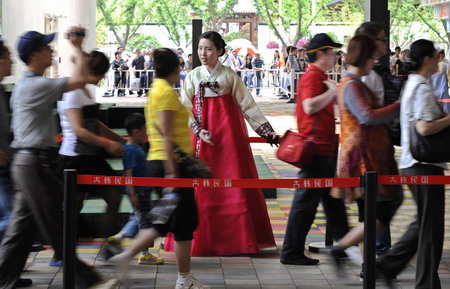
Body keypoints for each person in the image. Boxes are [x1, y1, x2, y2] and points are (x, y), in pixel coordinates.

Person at [0, 28, 102, 289]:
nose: (52, 50)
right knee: (57, 227)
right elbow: (81, 81)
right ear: (35, 54)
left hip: (28, 163)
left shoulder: (30, 85)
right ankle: (89, 280)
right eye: (47, 48)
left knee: (20, 233)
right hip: (32, 164)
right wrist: (77, 47)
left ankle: (4, 279)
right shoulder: (35, 85)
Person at [164, 31, 277, 256]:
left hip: (228, 138)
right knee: (201, 187)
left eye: (208, 49)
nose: (203, 53)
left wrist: (267, 132)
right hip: (201, 137)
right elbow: (184, 108)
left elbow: (248, 105)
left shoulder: (229, 76)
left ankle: (237, 241)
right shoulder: (193, 76)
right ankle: (200, 240)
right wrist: (198, 129)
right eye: (200, 49)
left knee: (233, 183)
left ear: (219, 51)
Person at [110, 48, 210, 289]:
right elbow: (165, 133)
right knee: (184, 223)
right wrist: (172, 173)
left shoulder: (157, 90)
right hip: (169, 166)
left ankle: (126, 256)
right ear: (176, 69)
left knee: (162, 220)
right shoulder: (164, 93)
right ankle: (184, 279)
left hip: (163, 163)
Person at [327, 34, 403, 275]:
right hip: (363, 159)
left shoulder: (354, 83)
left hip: (366, 157)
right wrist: (400, 106)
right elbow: (367, 116)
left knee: (370, 214)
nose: (374, 63)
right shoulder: (351, 85)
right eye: (372, 57)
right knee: (381, 209)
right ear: (363, 57)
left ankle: (365, 266)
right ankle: (343, 251)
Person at [376, 39, 448, 289]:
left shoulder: (414, 84)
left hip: (413, 162)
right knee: (431, 230)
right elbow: (424, 127)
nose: (440, 59)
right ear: (427, 59)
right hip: (423, 164)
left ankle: (389, 266)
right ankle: (426, 284)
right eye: (436, 55)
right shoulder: (421, 88)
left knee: (424, 224)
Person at [280, 33, 349, 266]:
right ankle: (291, 252)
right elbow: (309, 107)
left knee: (333, 203)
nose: (335, 56)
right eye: (332, 52)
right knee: (306, 204)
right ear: (321, 54)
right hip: (316, 150)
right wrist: (332, 91)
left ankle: (344, 248)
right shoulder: (313, 78)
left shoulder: (320, 77)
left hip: (324, 149)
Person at [57, 50, 123, 240]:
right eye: (101, 73)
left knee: (114, 197)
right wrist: (108, 145)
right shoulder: (73, 93)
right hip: (74, 159)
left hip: (91, 157)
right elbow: (79, 130)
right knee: (73, 209)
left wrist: (119, 140)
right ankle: (62, 253)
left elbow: (95, 124)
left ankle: (106, 247)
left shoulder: (85, 90)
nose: (103, 77)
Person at [357, 22, 400, 258]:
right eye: (382, 39)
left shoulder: (370, 73)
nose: (385, 43)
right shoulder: (362, 77)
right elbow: (366, 117)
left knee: (376, 205)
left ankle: (372, 254)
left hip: (377, 149)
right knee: (381, 203)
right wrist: (398, 108)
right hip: (371, 152)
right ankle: (372, 253)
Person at [105, 113, 164, 265]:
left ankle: (118, 237)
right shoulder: (131, 150)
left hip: (142, 191)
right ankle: (144, 254)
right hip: (140, 192)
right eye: (145, 130)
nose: (147, 133)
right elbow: (128, 173)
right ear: (136, 132)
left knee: (136, 219)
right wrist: (132, 193)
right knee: (145, 223)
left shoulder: (134, 148)